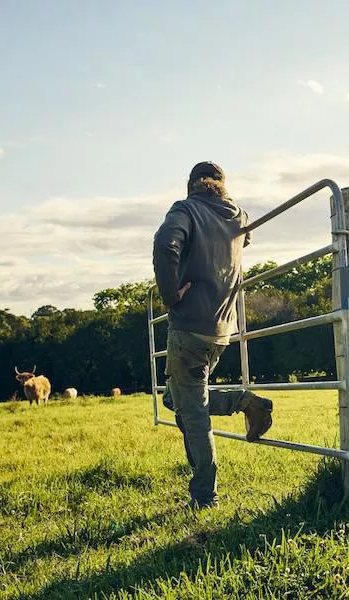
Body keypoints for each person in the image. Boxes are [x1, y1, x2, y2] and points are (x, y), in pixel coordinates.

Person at [153, 161, 273, 509]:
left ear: (190, 185)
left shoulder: (185, 209)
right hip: (222, 329)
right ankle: (246, 403)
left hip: (189, 326)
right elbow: (245, 237)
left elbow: (166, 244)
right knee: (177, 400)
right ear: (223, 185)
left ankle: (205, 497)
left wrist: (170, 294)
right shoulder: (238, 214)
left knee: (192, 413)